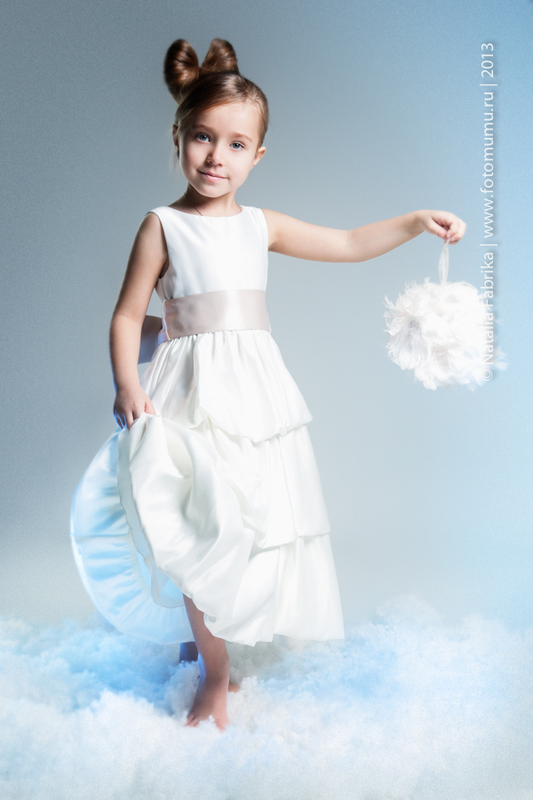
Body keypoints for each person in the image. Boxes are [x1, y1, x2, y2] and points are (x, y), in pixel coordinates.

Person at [70, 37, 466, 732]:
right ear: (178, 138)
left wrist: (413, 222)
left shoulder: (261, 225)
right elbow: (128, 314)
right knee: (197, 522)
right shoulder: (163, 226)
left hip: (252, 398)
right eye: (202, 137)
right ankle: (213, 673)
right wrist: (126, 383)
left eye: (235, 144)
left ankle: (213, 638)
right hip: (188, 394)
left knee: (243, 522)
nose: (215, 157)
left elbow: (346, 243)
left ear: (257, 156)